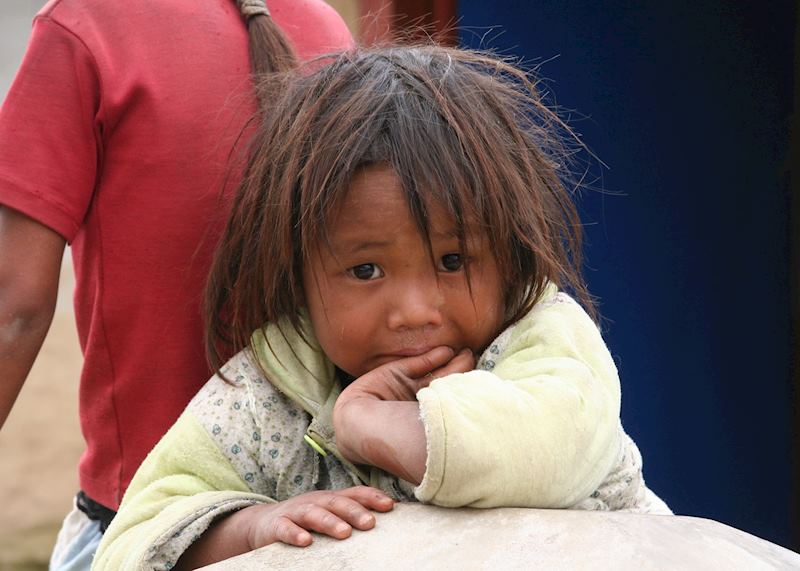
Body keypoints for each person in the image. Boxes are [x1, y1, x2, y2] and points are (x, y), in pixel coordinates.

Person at [93, 44, 671, 570]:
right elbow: (133, 540)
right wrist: (249, 529)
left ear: (511, 250)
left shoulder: (540, 341)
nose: (415, 311)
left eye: (453, 260)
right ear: (297, 274)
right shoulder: (270, 388)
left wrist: (372, 425)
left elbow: (544, 455)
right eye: (366, 270)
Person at [0, 0, 353, 568]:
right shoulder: (325, 26)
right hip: (310, 516)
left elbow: (12, 305)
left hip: (145, 518)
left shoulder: (88, 23)